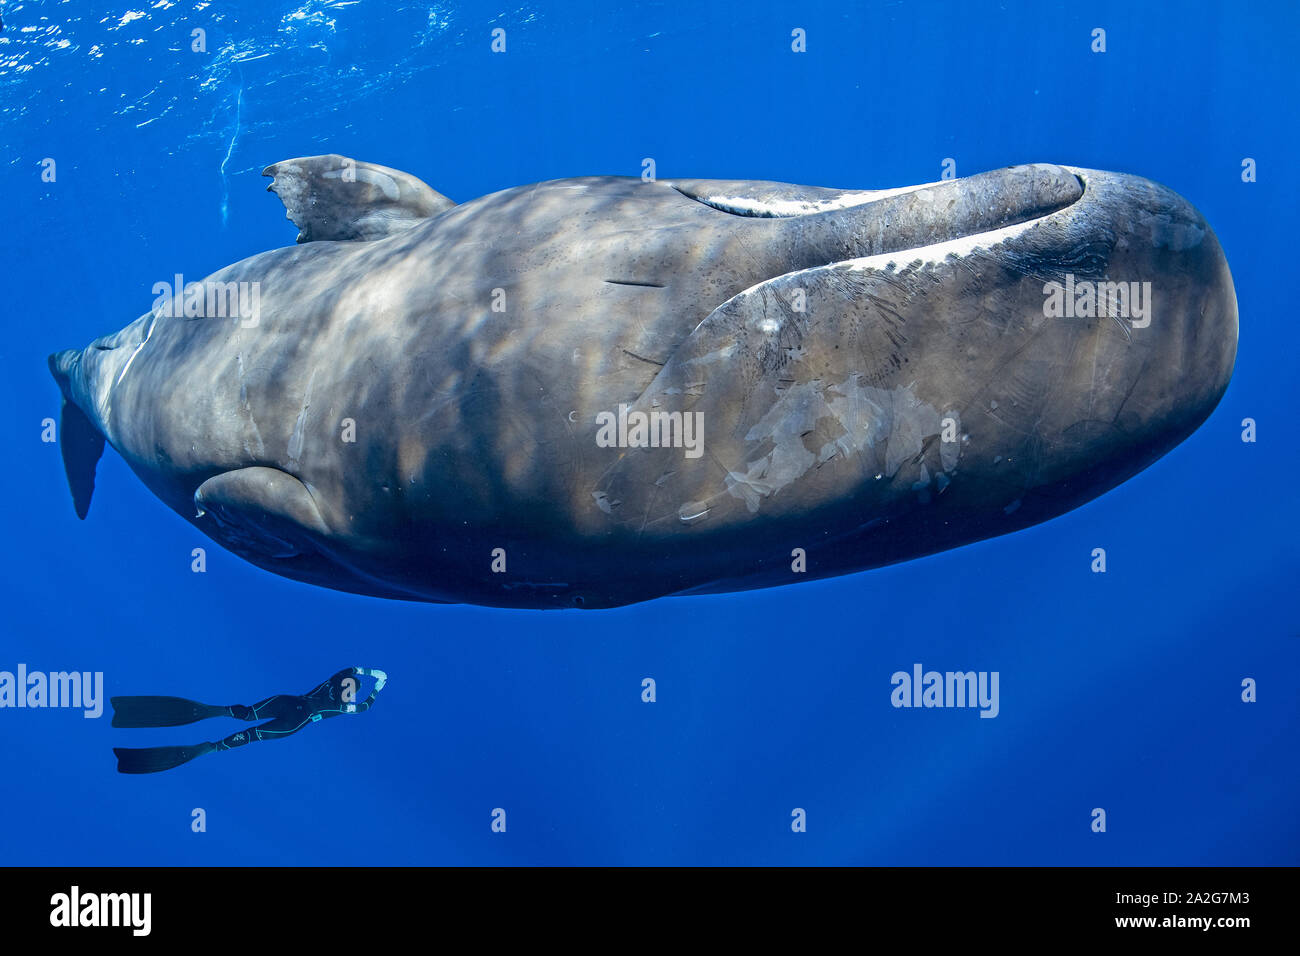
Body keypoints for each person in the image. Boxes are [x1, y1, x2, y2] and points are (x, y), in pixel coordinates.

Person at [110, 666, 387, 773]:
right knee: (253, 734)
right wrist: (378, 688)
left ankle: (219, 711)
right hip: (295, 721)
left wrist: (373, 673)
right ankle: (213, 746)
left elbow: (350, 669)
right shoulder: (343, 706)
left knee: (245, 714)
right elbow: (364, 707)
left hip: (289, 702)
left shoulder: (335, 680)